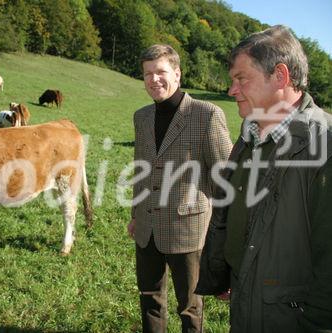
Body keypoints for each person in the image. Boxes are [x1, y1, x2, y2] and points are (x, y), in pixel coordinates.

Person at [195, 25, 332, 333]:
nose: (232, 90)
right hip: (247, 304)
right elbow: (233, 215)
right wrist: (225, 272)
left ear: (280, 76)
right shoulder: (248, 139)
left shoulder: (325, 145)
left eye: (241, 78)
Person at [128, 44, 232, 333]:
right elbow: (141, 170)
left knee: (189, 305)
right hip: (147, 227)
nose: (153, 79)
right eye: (147, 73)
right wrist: (136, 214)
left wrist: (220, 230)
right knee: (149, 297)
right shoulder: (142, 117)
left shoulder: (207, 115)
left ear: (177, 73)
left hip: (188, 229)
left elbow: (226, 178)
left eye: (160, 71)